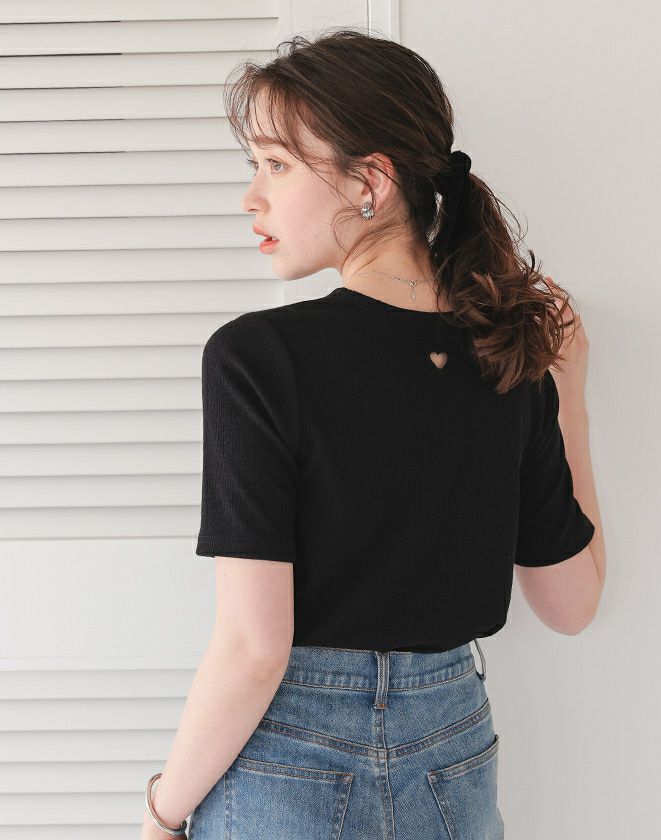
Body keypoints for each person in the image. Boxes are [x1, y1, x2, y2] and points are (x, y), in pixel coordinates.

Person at [141, 27, 605, 840]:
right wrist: (569, 396)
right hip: (453, 753)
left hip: (290, 757)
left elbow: (255, 649)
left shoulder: (259, 357)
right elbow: (572, 605)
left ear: (371, 181)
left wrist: (162, 811)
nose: (251, 196)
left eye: (276, 165)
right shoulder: (508, 360)